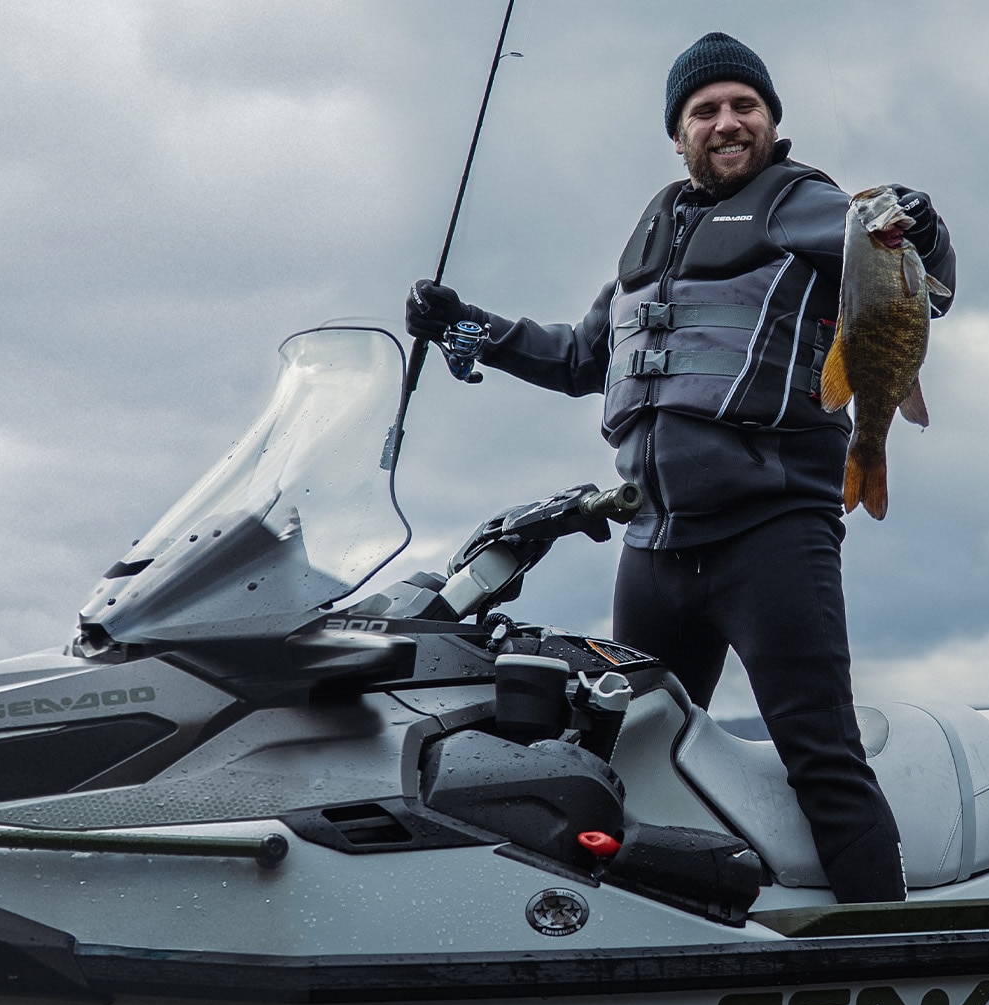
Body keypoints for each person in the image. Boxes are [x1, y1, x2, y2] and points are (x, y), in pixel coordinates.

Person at [406, 32, 956, 904]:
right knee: (622, 762)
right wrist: (468, 324)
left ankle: (886, 956)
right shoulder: (655, 230)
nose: (727, 121)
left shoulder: (808, 204)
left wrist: (924, 227)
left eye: (745, 106)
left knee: (822, 759)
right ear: (678, 134)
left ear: (771, 121)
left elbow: (918, 283)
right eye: (706, 110)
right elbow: (579, 358)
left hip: (772, 536)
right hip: (654, 551)